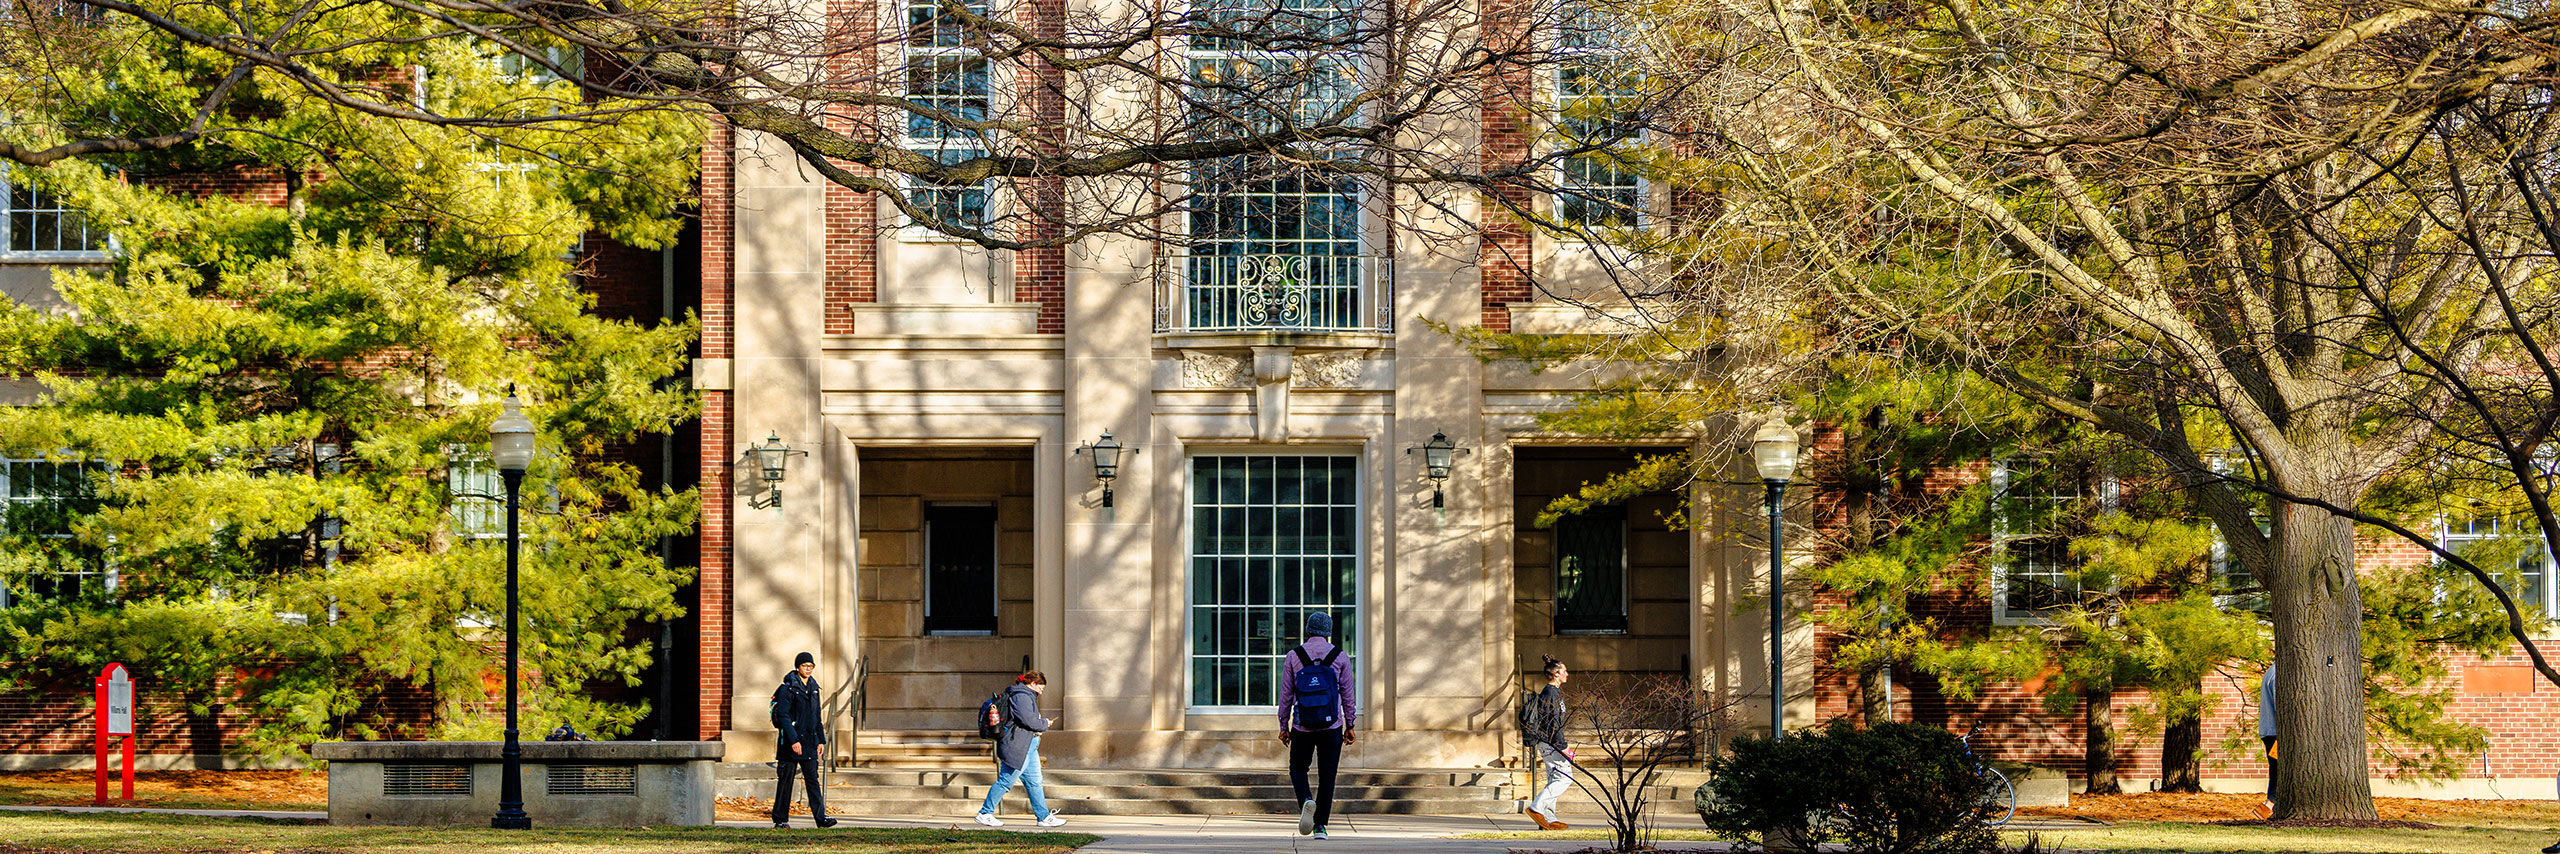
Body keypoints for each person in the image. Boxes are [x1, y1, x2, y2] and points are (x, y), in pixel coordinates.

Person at [1278, 611, 1357, 840]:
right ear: (1329, 632)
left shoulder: (1294, 655)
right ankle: (1320, 826)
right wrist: (1350, 723)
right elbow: (1348, 694)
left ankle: (1306, 801)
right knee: (1328, 775)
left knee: (1298, 769)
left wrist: (1284, 725)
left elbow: (1286, 694)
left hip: (1302, 726)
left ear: (1308, 630)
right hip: (1331, 726)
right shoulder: (1340, 656)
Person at [977, 671, 1066, 827]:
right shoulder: (1022, 696)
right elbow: (1028, 721)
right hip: (1018, 745)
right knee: (1006, 781)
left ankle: (1043, 817)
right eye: (1041, 687)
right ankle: (985, 813)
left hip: (1028, 745)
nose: (1041, 691)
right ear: (1032, 683)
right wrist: (1045, 723)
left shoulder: (1025, 695)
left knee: (1034, 782)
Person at [772, 651, 837, 828]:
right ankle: (780, 819)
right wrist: (794, 740)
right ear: (798, 667)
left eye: (811, 666)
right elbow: (783, 716)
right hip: (790, 744)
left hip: (809, 743)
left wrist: (821, 740)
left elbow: (816, 717)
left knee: (813, 781)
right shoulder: (788, 688)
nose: (808, 669)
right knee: (786, 782)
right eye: (804, 666)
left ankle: (820, 818)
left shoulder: (814, 688)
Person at [1523, 655, 1574, 830]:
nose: (1567, 674)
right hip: (1551, 742)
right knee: (1564, 778)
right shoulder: (1550, 693)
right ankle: (1537, 808)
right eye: (1564, 671)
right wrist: (1563, 747)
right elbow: (1552, 723)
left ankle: (1549, 818)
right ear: (1556, 674)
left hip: (1549, 742)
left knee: (1554, 778)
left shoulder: (1553, 692)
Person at [2257, 661, 2276, 821]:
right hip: (2276, 733)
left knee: (2277, 770)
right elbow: (2281, 706)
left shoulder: (2272, 671)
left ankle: (2268, 807)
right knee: (2278, 771)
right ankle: (2266, 808)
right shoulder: (2278, 674)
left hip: (2271, 731)